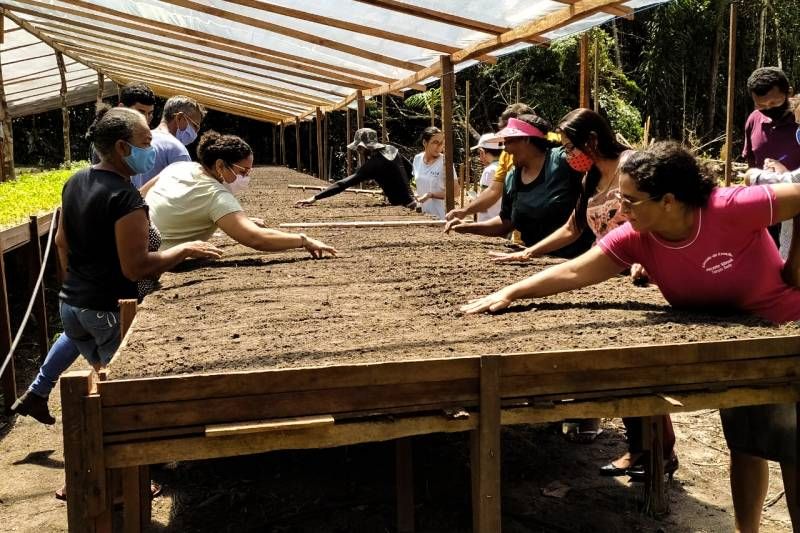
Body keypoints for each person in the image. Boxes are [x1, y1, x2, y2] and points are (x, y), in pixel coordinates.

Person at [461, 141, 800, 533]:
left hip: (782, 335)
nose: (622, 210)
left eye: (633, 201)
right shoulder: (638, 237)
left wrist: (795, 268)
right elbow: (575, 272)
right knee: (745, 445)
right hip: (733, 345)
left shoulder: (731, 206)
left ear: (670, 200)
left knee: (792, 450)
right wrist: (511, 291)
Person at [11, 107, 221, 426]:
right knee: (124, 391)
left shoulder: (76, 181)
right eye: (146, 142)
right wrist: (184, 249)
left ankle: (40, 394)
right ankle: (137, 460)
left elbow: (61, 243)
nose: (151, 150)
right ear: (123, 148)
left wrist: (76, 289)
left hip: (73, 306)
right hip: (108, 309)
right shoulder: (125, 198)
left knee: (102, 373)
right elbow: (136, 268)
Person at [148, 131, 337, 257]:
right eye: (243, 171)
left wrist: (233, 220)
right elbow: (256, 238)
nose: (246, 177)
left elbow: (143, 194)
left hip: (133, 247)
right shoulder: (217, 196)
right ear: (220, 165)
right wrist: (303, 240)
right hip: (157, 259)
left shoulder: (180, 167)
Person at [444, 113, 592, 258]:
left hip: (577, 258)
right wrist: (468, 227)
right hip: (534, 258)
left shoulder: (563, 161)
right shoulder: (512, 178)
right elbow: (506, 222)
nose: (505, 148)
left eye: (509, 141)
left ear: (526, 140)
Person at [743, 67, 799, 248]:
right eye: (761, 105)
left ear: (789, 93)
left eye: (774, 103)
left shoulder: (798, 121)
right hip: (765, 208)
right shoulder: (754, 120)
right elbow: (751, 162)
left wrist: (785, 175)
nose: (768, 109)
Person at [446, 103, 532, 221]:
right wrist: (465, 211)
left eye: (509, 139)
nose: (504, 147)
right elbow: (493, 191)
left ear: (525, 137)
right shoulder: (506, 158)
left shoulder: (552, 161)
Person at [295, 128, 419, 210]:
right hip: (412, 201)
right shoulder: (392, 149)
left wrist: (315, 197)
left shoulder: (372, 165)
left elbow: (343, 184)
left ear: (362, 147)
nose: (358, 152)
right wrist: (396, 186)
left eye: (358, 148)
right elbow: (409, 170)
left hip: (403, 206)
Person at [133, 95, 206, 190]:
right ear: (179, 118)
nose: (196, 133)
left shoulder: (140, 140)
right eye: (195, 126)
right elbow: (184, 192)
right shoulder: (177, 150)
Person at [90, 82, 156, 164]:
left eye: (150, 113)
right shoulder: (107, 139)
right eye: (140, 112)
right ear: (122, 107)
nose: (145, 119)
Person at [412, 126, 459, 220]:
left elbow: (456, 192)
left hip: (442, 217)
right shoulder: (417, 159)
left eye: (442, 143)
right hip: (423, 216)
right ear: (425, 143)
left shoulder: (445, 162)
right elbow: (415, 182)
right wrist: (416, 193)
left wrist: (431, 195)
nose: (439, 147)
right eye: (435, 142)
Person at [470, 133, 504, 222]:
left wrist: (474, 199)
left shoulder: (489, 171)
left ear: (482, 152)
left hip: (488, 221)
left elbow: (484, 200)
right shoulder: (507, 168)